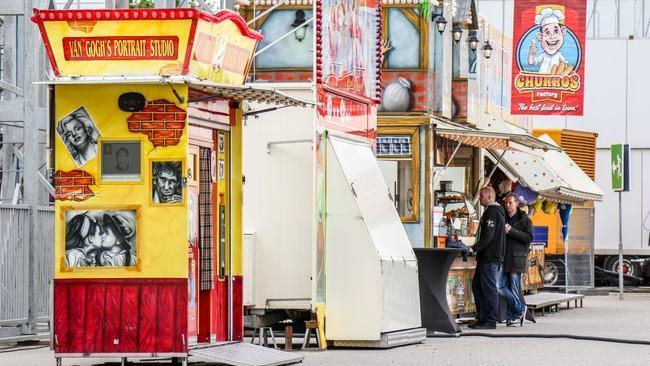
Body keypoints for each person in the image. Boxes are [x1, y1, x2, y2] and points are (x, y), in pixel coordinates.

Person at [469, 186, 506, 330]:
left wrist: (474, 248)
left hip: (489, 257)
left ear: (490, 197)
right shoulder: (496, 212)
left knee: (488, 288)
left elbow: (488, 236)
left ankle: (490, 321)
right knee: (478, 286)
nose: (480, 199)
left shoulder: (491, 212)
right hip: (488, 257)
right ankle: (482, 317)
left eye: (482, 196)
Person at [499, 193, 533, 326]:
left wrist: (511, 231)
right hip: (503, 257)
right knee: (500, 286)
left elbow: (529, 238)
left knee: (513, 287)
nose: (507, 206)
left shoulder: (525, 220)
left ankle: (512, 317)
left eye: (510, 203)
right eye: (506, 203)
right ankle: (520, 309)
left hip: (517, 258)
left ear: (517, 203)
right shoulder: (503, 217)